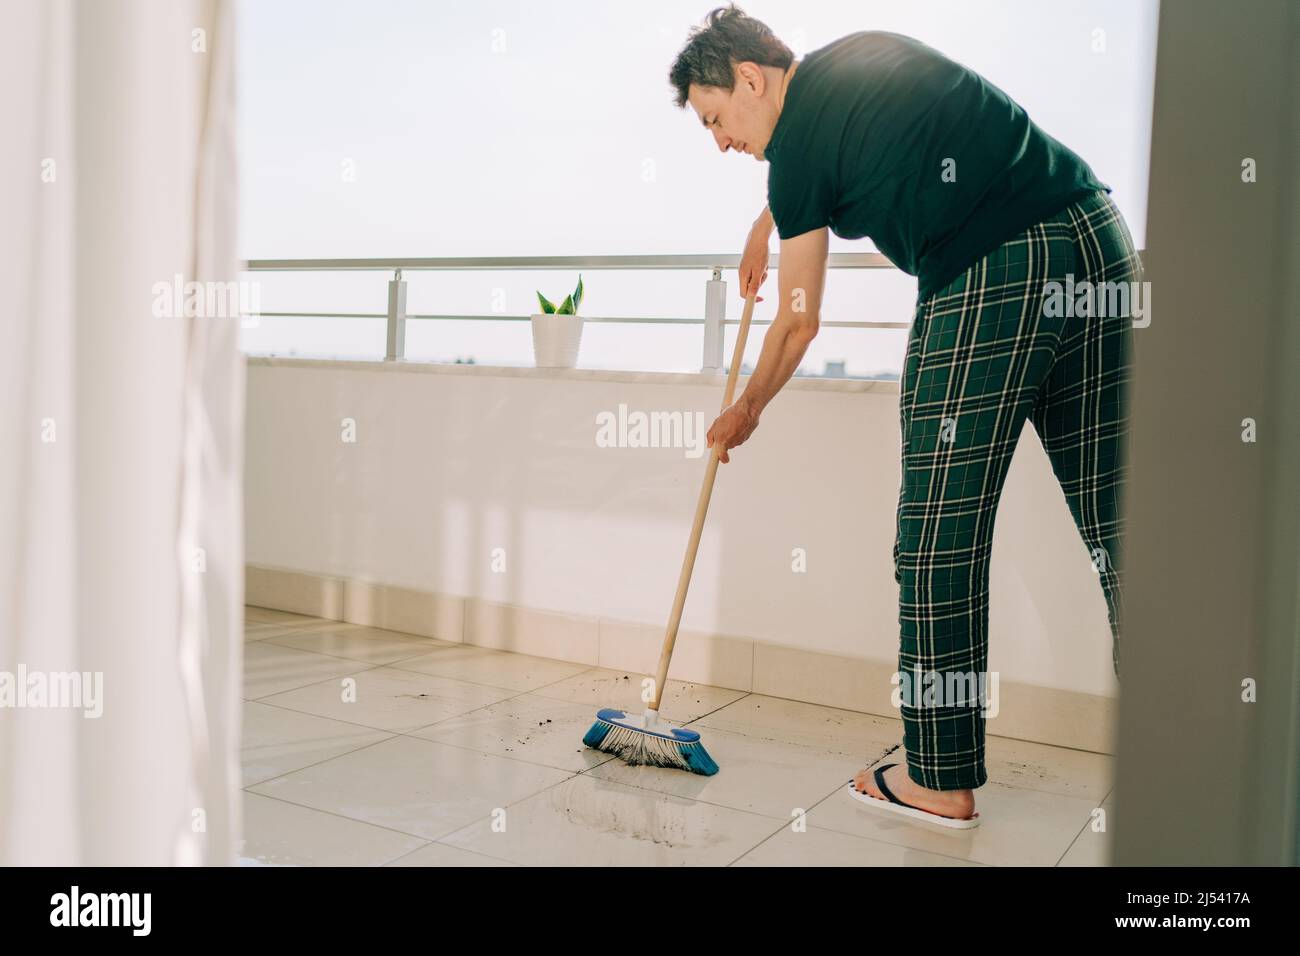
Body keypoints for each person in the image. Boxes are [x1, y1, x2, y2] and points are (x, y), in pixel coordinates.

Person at [669, 5, 1139, 824]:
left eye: (716, 119)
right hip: (1096, 239)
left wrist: (745, 408)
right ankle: (1199, 744)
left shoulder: (797, 154)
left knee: (936, 535)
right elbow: (862, 144)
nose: (720, 142)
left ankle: (938, 772)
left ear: (749, 79)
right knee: (1125, 519)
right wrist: (768, 216)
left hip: (994, 268)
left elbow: (799, 318)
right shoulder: (861, 58)